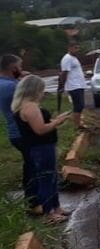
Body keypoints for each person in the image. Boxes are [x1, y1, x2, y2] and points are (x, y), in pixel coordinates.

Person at [12, 75, 72, 223]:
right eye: (41, 89)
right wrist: (57, 122)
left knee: (52, 178)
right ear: (34, 89)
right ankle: (48, 213)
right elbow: (40, 129)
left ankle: (56, 207)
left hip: (42, 146)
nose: (42, 92)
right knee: (46, 179)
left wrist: (56, 121)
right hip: (41, 147)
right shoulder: (30, 107)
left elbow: (39, 124)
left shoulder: (24, 105)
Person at [0, 54, 36, 208]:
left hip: (15, 132)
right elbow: (32, 100)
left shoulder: (4, 83)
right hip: (23, 132)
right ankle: (34, 202)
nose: (21, 69)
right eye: (19, 67)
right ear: (13, 68)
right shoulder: (12, 86)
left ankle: (31, 200)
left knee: (29, 165)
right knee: (34, 167)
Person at [58, 41, 86, 129]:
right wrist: (61, 86)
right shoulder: (67, 58)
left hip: (79, 85)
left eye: (78, 48)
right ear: (69, 48)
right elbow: (64, 73)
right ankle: (76, 125)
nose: (77, 50)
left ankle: (78, 123)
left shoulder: (74, 58)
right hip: (73, 86)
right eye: (75, 48)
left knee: (80, 105)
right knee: (79, 105)